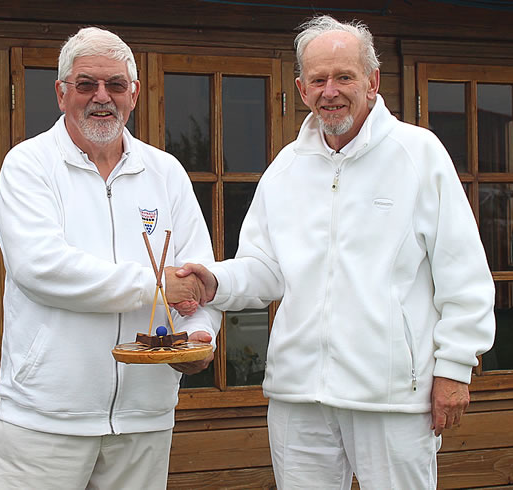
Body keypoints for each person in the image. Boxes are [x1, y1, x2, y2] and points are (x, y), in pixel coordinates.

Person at [175, 15, 496, 489]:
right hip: (298, 394)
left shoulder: (418, 154)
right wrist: (214, 282)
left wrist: (454, 368)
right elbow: (264, 268)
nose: (331, 90)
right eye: (319, 79)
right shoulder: (286, 168)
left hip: (392, 398)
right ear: (301, 89)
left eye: (344, 76)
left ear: (372, 82)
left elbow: (463, 273)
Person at [0, 26, 220, 490]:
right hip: (46, 419)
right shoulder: (29, 164)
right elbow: (41, 269)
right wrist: (155, 286)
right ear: (61, 93)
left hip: (145, 417)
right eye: (86, 84)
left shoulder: (166, 172)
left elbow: (199, 275)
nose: (102, 97)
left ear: (133, 94)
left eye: (115, 84)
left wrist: (200, 335)